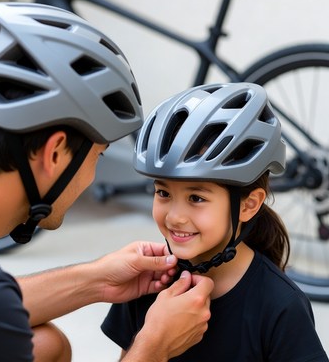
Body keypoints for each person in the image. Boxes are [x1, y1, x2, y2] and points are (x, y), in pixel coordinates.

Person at [0, 1, 214, 362]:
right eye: (99, 155)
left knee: (45, 346)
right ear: (55, 153)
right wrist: (153, 346)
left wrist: (96, 280)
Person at [101, 82, 329, 361]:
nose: (174, 216)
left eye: (196, 198)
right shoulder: (146, 282)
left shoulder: (281, 306)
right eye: (163, 193)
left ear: (249, 205)